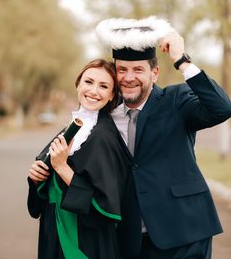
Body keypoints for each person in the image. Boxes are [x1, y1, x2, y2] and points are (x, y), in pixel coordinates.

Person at [96, 16, 231, 259]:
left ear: (155, 72)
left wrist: (182, 60)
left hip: (185, 232)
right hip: (131, 239)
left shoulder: (176, 99)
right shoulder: (105, 116)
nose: (129, 77)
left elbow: (221, 108)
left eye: (138, 69)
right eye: (122, 70)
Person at [27, 59, 131, 259]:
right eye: (89, 82)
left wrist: (63, 168)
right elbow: (49, 183)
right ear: (78, 84)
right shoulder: (71, 127)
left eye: (103, 86)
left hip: (84, 241)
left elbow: (106, 206)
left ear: (111, 96)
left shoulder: (104, 137)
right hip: (53, 229)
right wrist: (37, 178)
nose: (93, 90)